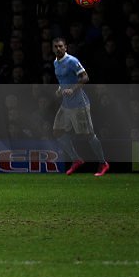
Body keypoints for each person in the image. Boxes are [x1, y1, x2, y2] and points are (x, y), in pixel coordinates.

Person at [52, 38, 109, 177]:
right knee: (57, 132)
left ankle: (103, 163)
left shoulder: (72, 61)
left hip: (79, 104)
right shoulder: (55, 62)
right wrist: (60, 89)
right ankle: (76, 159)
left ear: (65, 47)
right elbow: (63, 81)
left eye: (60, 46)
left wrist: (72, 89)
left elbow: (85, 78)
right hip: (66, 104)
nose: (58, 49)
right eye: (55, 47)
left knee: (88, 135)